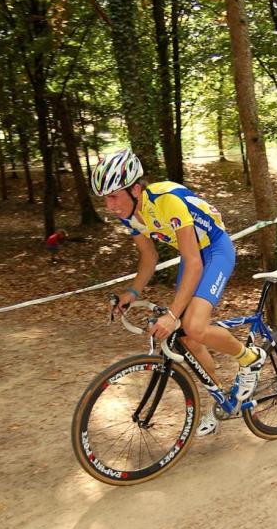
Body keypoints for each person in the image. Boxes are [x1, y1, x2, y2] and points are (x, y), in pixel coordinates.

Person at [91, 147, 267, 437]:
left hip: (214, 251)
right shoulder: (130, 215)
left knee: (193, 326)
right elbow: (149, 258)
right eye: (104, 199)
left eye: (113, 196)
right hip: (193, 256)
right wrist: (132, 292)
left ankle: (251, 358)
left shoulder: (167, 202)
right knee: (188, 339)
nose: (109, 206)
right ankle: (222, 400)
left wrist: (173, 314)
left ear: (135, 189)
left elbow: (196, 261)